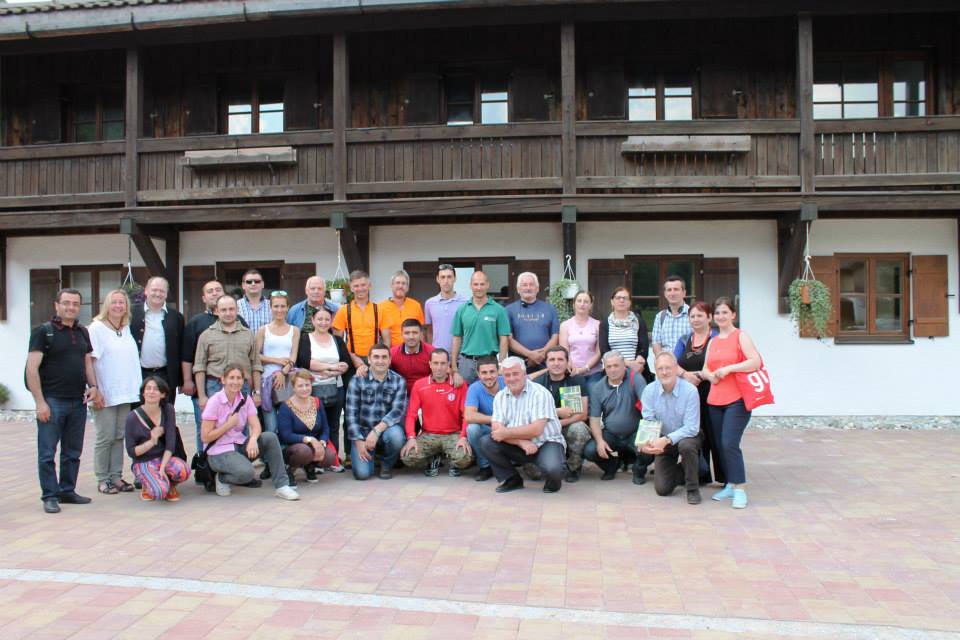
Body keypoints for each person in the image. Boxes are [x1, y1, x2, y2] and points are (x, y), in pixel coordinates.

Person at [25, 288, 101, 514]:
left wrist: (94, 386)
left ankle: (67, 490)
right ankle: (50, 495)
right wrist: (40, 402)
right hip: (52, 400)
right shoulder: (43, 332)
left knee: (72, 452)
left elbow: (87, 362)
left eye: (75, 304)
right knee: (47, 453)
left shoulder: (82, 332)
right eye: (66, 303)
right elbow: (32, 368)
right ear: (56, 305)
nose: (71, 307)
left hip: (78, 401)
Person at [201, 363, 299, 500]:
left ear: (243, 381)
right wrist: (228, 425)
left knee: (270, 437)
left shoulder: (245, 399)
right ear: (223, 380)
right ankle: (222, 478)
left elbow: (256, 426)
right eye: (231, 378)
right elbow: (205, 437)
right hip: (218, 452)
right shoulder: (214, 401)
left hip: (239, 444)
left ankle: (282, 486)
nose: (235, 382)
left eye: (239, 378)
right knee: (247, 474)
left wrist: (253, 440)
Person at [701, 297, 763, 509]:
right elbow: (706, 368)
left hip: (737, 400)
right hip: (715, 400)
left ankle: (740, 489)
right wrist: (710, 376)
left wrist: (729, 369)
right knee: (720, 445)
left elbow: (755, 362)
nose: (721, 317)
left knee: (729, 443)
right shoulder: (713, 340)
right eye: (717, 313)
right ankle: (730, 484)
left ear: (733, 315)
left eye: (725, 312)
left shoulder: (741, 336)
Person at [478, 357, 566, 493]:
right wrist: (520, 442)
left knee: (553, 469)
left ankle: (553, 481)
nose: (512, 378)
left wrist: (506, 433)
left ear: (524, 374)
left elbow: (536, 429)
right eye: (507, 375)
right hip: (519, 445)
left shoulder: (540, 393)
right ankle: (512, 479)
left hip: (546, 442)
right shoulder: (500, 396)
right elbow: (497, 429)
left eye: (515, 374)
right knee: (486, 442)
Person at [182, 279, 249, 448]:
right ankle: (205, 461)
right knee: (206, 426)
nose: (214, 293)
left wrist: (253, 389)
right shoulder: (196, 324)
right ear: (204, 298)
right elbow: (190, 358)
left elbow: (251, 359)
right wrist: (189, 382)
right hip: (211, 384)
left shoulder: (241, 323)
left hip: (239, 385)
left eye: (218, 289)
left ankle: (237, 460)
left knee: (239, 425)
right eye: (210, 291)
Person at [89, 289, 142, 495]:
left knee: (119, 436)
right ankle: (103, 479)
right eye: (114, 302)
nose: (118, 306)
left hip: (125, 392)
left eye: (122, 302)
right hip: (105, 392)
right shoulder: (97, 328)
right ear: (107, 305)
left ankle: (116, 476)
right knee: (105, 437)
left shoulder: (125, 328)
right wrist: (95, 389)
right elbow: (90, 361)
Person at [639, 352, 703, 505]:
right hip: (663, 437)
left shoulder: (690, 391)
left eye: (668, 367)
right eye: (660, 368)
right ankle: (695, 468)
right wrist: (645, 442)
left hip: (688, 436)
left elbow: (692, 427)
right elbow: (649, 421)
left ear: (676, 369)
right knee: (662, 489)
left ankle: (692, 488)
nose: (664, 372)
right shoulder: (649, 391)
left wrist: (667, 439)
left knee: (686, 446)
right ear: (655, 370)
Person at [296, 305, 354, 469]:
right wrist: (330, 368)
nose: (323, 322)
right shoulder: (306, 339)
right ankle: (315, 461)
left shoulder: (337, 340)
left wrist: (334, 369)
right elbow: (305, 361)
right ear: (313, 320)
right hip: (312, 389)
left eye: (327, 319)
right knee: (314, 425)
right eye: (319, 319)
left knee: (333, 425)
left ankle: (333, 459)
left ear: (331, 321)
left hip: (336, 387)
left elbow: (345, 363)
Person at [583, 351, 654, 484]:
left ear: (624, 365)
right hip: (612, 434)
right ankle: (611, 466)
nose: (613, 369)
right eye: (609, 366)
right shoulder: (598, 388)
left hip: (634, 433)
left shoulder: (635, 378)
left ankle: (639, 469)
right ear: (604, 368)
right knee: (590, 450)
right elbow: (594, 419)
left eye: (616, 365)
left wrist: (646, 436)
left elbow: (648, 406)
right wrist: (600, 441)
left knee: (649, 449)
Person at [673, 302, 723, 486]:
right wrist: (685, 375)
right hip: (690, 395)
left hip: (713, 393)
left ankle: (724, 477)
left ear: (709, 318)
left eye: (700, 315)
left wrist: (702, 375)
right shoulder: (684, 339)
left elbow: (722, 363)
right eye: (692, 316)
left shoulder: (717, 338)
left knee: (716, 434)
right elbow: (672, 362)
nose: (695, 319)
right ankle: (701, 473)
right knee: (695, 433)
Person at [400, 349, 471, 476]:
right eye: (436, 363)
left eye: (443, 363)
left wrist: (463, 437)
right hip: (428, 434)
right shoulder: (420, 385)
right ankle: (433, 459)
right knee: (408, 457)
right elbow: (411, 414)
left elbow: (466, 414)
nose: (439, 367)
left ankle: (453, 461)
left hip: (453, 434)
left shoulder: (459, 385)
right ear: (430, 364)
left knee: (465, 458)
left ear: (448, 364)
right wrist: (411, 437)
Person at [343, 343, 407, 480]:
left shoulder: (399, 381)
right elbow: (351, 413)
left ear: (390, 360)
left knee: (397, 436)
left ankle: (386, 464)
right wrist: (358, 441)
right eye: (376, 357)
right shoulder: (357, 380)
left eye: (384, 357)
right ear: (369, 359)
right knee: (362, 474)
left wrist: (376, 431)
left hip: (386, 430)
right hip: (363, 432)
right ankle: (371, 457)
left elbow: (397, 411)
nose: (380, 361)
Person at [125, 376, 191, 502]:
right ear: (143, 393)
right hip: (143, 461)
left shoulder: (168, 409)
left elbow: (170, 443)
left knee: (184, 471)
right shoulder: (132, 417)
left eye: (156, 389)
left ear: (163, 394)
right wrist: (152, 441)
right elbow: (132, 452)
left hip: (163, 458)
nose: (151, 392)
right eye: (148, 388)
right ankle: (147, 485)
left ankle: (169, 484)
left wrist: (162, 468)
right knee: (160, 492)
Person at [194, 294, 262, 415]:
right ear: (217, 311)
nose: (228, 313)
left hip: (242, 386)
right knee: (215, 423)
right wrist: (202, 396)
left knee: (241, 423)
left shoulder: (248, 335)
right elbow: (199, 367)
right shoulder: (206, 335)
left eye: (231, 309)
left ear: (237, 310)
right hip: (215, 386)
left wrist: (257, 392)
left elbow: (256, 365)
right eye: (223, 310)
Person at [534, 346, 591, 483]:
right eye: (552, 359)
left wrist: (558, 423)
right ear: (546, 363)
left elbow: (582, 414)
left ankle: (573, 467)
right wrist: (557, 412)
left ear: (567, 362)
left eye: (560, 359)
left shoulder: (575, 380)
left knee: (579, 428)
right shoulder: (538, 383)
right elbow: (533, 414)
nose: (556, 363)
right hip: (544, 427)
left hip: (567, 425)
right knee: (535, 474)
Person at [276, 370, 338, 484]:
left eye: (307, 385)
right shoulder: (286, 407)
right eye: (300, 386)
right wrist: (309, 439)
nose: (305, 388)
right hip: (293, 446)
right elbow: (285, 435)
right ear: (293, 388)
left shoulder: (317, 402)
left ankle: (310, 467)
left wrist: (322, 442)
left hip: (313, 444)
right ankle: (289, 471)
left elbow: (325, 428)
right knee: (304, 452)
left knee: (330, 456)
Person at [451, 271, 510, 384]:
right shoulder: (462, 309)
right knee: (466, 394)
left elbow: (504, 339)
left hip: (490, 362)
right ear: (470, 285)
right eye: (476, 284)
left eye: (482, 284)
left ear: (487, 285)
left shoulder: (499, 310)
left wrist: (501, 364)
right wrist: (454, 366)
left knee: (491, 392)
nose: (479, 287)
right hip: (466, 363)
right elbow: (456, 338)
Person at [255, 290, 300, 434]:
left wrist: (282, 372)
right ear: (270, 307)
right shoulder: (263, 330)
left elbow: (293, 356)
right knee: (271, 427)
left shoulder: (294, 330)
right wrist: (276, 360)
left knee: (288, 426)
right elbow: (256, 356)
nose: (279, 310)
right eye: (276, 306)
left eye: (282, 306)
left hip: (287, 381)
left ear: (288, 308)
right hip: (267, 382)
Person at [129, 276, 183, 393]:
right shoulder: (131, 313)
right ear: (146, 291)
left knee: (166, 405)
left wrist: (181, 379)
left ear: (166, 294)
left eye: (162, 291)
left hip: (166, 375)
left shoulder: (176, 317)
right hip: (138, 374)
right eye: (154, 290)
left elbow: (180, 348)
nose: (158, 294)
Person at [333, 270, 392, 373]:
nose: (360, 289)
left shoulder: (380, 310)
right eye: (356, 286)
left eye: (363, 285)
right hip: (351, 359)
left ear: (369, 286)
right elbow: (338, 341)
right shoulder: (343, 311)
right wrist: (353, 358)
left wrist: (379, 358)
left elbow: (387, 340)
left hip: (376, 360)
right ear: (351, 288)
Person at [505, 272, 559, 373]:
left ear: (537, 288)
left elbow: (555, 336)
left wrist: (542, 354)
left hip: (545, 362)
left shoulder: (550, 309)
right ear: (518, 289)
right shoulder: (509, 310)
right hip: (519, 364)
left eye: (531, 284)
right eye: (524, 285)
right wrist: (529, 354)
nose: (528, 288)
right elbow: (508, 339)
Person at [464, 356, 505, 482]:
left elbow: (528, 378)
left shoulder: (507, 381)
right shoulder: (474, 388)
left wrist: (547, 369)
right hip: (490, 428)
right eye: (484, 373)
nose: (488, 376)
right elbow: (469, 416)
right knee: (472, 429)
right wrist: (496, 420)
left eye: (492, 372)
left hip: (511, 427)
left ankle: (515, 462)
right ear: (478, 374)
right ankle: (485, 466)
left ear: (498, 371)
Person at [599, 286, 651, 381]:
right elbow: (604, 351)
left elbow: (644, 347)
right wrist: (628, 364)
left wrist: (638, 363)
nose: (621, 300)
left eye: (625, 298)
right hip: (613, 370)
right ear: (612, 302)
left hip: (636, 371)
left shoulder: (638, 321)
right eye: (618, 298)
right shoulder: (605, 324)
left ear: (629, 302)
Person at [559, 290, 603, 391]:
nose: (582, 304)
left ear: (590, 305)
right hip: (572, 372)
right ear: (574, 304)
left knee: (593, 396)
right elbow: (564, 351)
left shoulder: (598, 325)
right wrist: (571, 368)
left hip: (593, 373)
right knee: (572, 400)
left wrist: (585, 368)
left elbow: (599, 352)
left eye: (586, 301)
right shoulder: (565, 325)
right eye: (579, 301)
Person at [423, 263, 468, 352]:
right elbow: (429, 331)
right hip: (438, 355)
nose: (446, 281)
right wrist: (431, 351)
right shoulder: (429, 303)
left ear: (455, 278)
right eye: (442, 277)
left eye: (449, 277)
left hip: (460, 355)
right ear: (437, 279)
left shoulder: (465, 302)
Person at [390, 318, 435, 396]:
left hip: (425, 394)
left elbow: (442, 374)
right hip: (401, 395)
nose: (411, 337)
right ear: (402, 334)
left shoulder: (432, 352)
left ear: (421, 334)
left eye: (415, 333)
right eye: (407, 333)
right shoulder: (392, 353)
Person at [381, 270, 426, 347]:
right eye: (397, 283)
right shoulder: (381, 307)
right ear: (391, 285)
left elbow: (421, 333)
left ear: (407, 287)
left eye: (403, 283)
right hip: (391, 352)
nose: (400, 286)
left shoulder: (416, 305)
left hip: (413, 351)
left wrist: (423, 350)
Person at [651, 275, 691, 357]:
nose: (672, 293)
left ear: (684, 293)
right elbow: (656, 343)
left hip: (687, 362)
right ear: (665, 294)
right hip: (666, 363)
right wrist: (663, 360)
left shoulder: (693, 315)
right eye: (669, 290)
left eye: (676, 289)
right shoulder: (660, 317)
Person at [237, 268, 273, 333]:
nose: (253, 284)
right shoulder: (235, 306)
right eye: (249, 282)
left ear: (263, 284)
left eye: (257, 281)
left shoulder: (272, 306)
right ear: (243, 285)